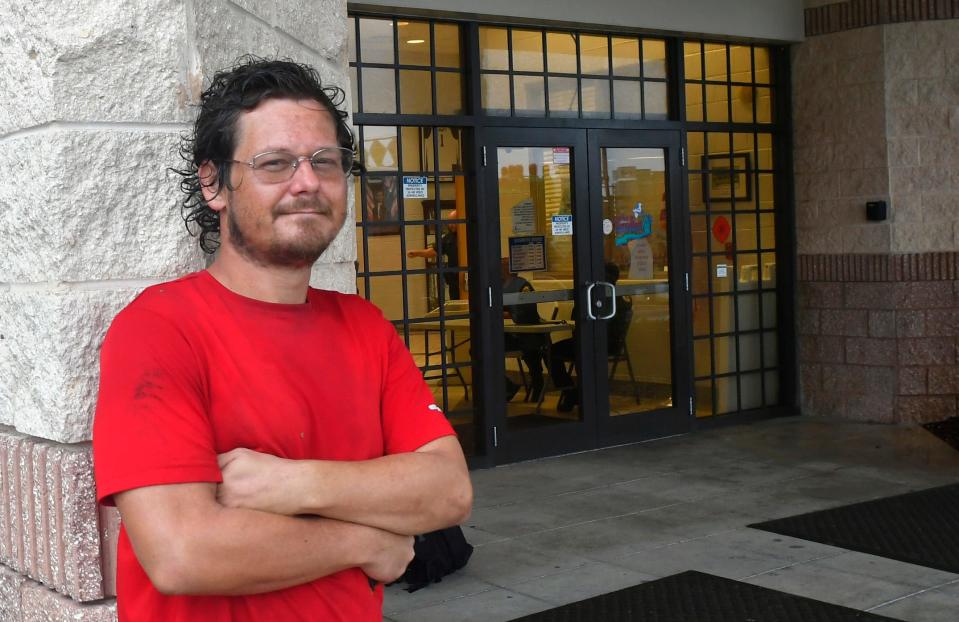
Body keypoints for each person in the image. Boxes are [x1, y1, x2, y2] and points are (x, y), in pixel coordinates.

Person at [92, 57, 472, 622]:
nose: (308, 182)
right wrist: (366, 542)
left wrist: (289, 484)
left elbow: (447, 491)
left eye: (326, 161)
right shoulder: (158, 330)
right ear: (214, 182)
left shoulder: (365, 326)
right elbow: (182, 551)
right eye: (275, 163)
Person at [550, 262, 632, 411]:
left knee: (553, 351)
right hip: (608, 343)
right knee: (575, 350)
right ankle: (578, 394)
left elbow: (578, 318)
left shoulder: (597, 295)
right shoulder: (617, 297)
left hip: (598, 343)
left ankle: (573, 393)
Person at [501, 258, 546, 402]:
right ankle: (507, 386)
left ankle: (538, 384)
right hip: (506, 334)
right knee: (479, 350)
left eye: (504, 265)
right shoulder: (497, 285)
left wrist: (505, 314)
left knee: (530, 348)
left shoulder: (522, 285)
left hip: (524, 334)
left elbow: (526, 313)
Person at [407, 210, 461, 300]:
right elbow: (432, 252)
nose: (451, 225)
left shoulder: (468, 235)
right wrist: (417, 253)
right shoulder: (448, 238)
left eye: (454, 222)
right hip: (454, 281)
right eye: (449, 222)